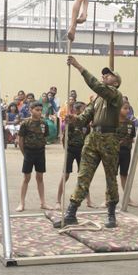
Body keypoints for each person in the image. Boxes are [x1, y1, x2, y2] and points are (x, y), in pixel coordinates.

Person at [53, 60, 123, 228]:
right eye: (104, 74)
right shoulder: (98, 99)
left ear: (116, 82)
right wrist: (73, 119)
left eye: (109, 74)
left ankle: (111, 213)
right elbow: (84, 119)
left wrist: (79, 67)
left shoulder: (115, 95)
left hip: (109, 139)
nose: (104, 75)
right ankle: (71, 212)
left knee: (110, 177)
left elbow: (97, 86)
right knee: (83, 175)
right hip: (93, 138)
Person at [55, 101, 94, 209]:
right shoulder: (71, 122)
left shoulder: (86, 124)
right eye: (83, 109)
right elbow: (64, 138)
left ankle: (89, 201)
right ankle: (58, 201)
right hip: (71, 150)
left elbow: (87, 137)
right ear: (76, 110)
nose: (85, 111)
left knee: (83, 175)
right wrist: (66, 150)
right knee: (65, 175)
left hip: (82, 151)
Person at [16, 101, 52, 211]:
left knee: (40, 177)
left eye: (41, 110)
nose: (39, 112)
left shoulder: (44, 123)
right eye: (37, 110)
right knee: (26, 177)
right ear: (31, 110)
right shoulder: (25, 123)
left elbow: (45, 136)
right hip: (29, 152)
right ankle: (21, 203)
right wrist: (24, 153)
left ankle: (43, 202)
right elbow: (20, 140)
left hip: (40, 152)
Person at [116, 100, 137, 204]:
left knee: (124, 174)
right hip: (114, 152)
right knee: (111, 175)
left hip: (126, 151)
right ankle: (108, 198)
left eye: (128, 108)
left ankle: (127, 198)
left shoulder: (130, 123)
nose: (127, 110)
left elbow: (132, 136)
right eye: (125, 108)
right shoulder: (113, 122)